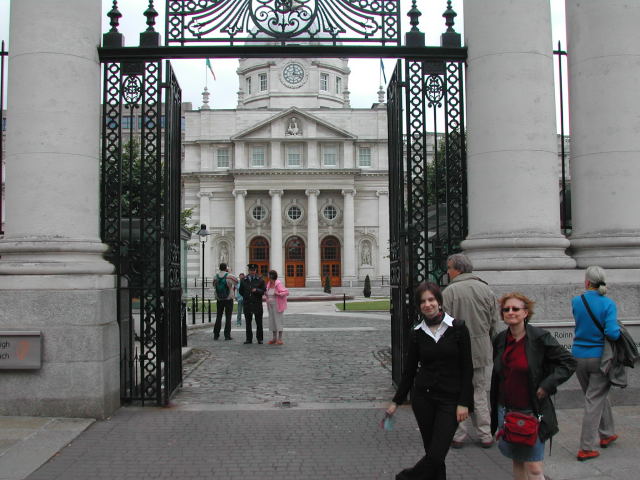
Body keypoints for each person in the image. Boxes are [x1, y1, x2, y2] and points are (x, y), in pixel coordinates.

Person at [386, 282, 473, 480]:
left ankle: (406, 477)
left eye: (431, 299)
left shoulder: (458, 328)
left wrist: (464, 402)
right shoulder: (417, 333)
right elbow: (409, 371)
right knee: (434, 455)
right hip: (424, 400)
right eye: (423, 301)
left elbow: (467, 369)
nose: (428, 304)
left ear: (439, 302)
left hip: (450, 400)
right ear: (419, 306)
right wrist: (396, 401)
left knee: (436, 454)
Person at [491, 293, 576, 480]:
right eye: (506, 309)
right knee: (517, 460)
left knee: (535, 467)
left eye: (515, 309)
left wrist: (547, 385)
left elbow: (568, 362)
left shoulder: (540, 338)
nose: (510, 312)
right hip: (507, 410)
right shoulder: (500, 339)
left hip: (531, 410)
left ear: (525, 313)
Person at [443, 253, 500, 449]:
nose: (447, 272)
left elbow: (444, 323)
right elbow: (494, 322)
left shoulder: (450, 292)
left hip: (457, 350)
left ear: (458, 269)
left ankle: (459, 434)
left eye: (449, 268)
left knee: (457, 392)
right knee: (479, 392)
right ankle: (485, 434)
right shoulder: (486, 289)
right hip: (480, 349)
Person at [571, 266, 620, 461]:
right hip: (600, 358)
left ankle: (607, 433)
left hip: (578, 356)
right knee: (594, 400)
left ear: (587, 282)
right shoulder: (608, 303)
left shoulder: (577, 301)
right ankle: (586, 447)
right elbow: (612, 333)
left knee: (595, 397)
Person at [239, 264, 266, 344]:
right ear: (248, 271)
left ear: (256, 271)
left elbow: (263, 291)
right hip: (247, 303)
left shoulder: (260, 280)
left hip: (257, 304)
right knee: (248, 323)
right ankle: (249, 339)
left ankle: (260, 339)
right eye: (251, 270)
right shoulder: (244, 280)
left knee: (259, 323)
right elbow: (241, 291)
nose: (252, 272)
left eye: (254, 270)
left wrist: (257, 290)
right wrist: (247, 296)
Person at [264, 270, 289, 345]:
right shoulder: (269, 283)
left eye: (268, 274)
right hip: (270, 305)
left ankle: (280, 339)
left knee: (278, 321)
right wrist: (266, 294)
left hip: (277, 305)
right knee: (272, 321)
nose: (267, 276)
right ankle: (274, 338)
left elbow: (286, 292)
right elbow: (268, 293)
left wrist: (278, 293)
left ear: (271, 275)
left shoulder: (278, 283)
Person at [213, 263, 237, 340]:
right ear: (226, 268)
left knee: (218, 316)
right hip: (228, 298)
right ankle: (227, 335)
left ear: (219, 268)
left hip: (219, 299)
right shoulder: (229, 276)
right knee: (228, 317)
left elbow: (214, 285)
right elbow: (237, 282)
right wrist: (229, 272)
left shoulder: (215, 276)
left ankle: (216, 334)